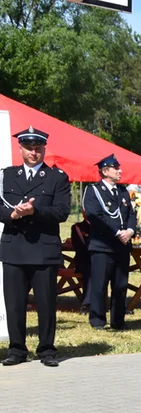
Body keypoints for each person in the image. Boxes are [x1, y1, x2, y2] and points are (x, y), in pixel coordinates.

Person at [0, 127, 71, 367]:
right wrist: (13, 214)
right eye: (29, 148)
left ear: (44, 149)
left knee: (47, 303)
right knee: (15, 303)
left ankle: (47, 349)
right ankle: (17, 350)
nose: (33, 153)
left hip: (44, 248)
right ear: (20, 148)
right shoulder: (7, 175)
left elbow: (62, 211)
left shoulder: (56, 177)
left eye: (38, 148)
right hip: (14, 247)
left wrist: (35, 211)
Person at [82, 154, 137, 330]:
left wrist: (129, 230)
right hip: (103, 245)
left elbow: (130, 215)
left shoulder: (122, 191)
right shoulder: (93, 191)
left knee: (120, 285)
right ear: (105, 171)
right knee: (99, 284)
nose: (120, 171)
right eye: (116, 168)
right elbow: (94, 216)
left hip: (122, 246)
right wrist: (116, 232)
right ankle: (98, 320)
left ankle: (118, 320)